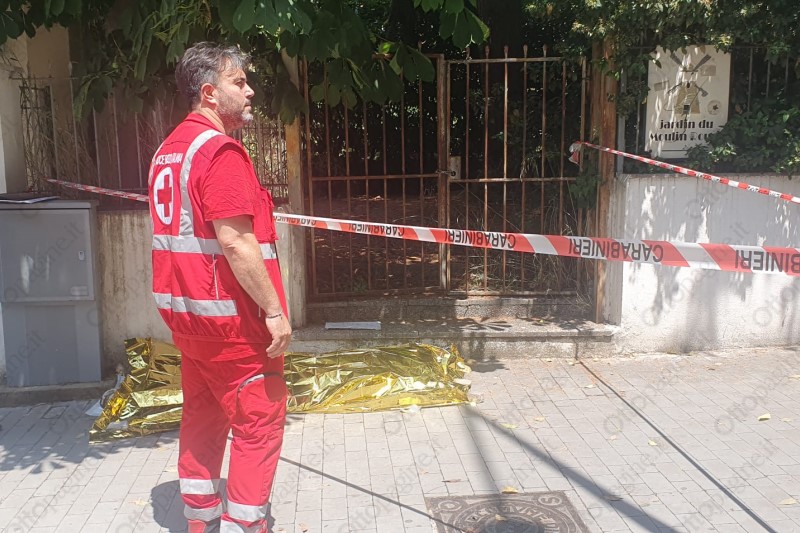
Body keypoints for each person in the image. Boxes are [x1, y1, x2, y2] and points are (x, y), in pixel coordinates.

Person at [147, 42, 292, 533]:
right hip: (233, 323)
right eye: (239, 82)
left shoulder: (169, 151)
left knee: (204, 416)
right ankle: (246, 523)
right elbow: (235, 241)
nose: (250, 91)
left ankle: (201, 519)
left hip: (190, 320)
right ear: (209, 93)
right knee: (260, 418)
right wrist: (273, 310)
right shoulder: (219, 152)